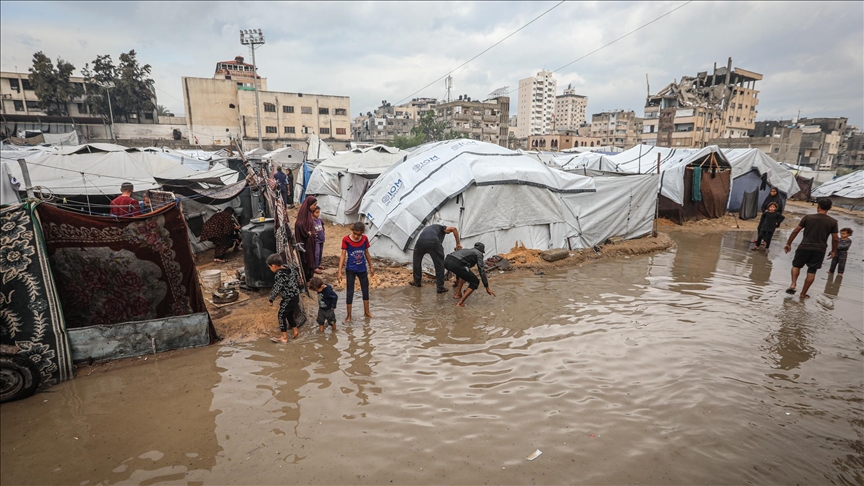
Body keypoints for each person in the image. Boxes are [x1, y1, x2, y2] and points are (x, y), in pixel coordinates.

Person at [783, 198, 839, 299]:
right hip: (819, 250)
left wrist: (788, 243)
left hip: (804, 247)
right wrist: (834, 250)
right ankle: (803, 294)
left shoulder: (808, 217)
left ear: (818, 206)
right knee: (812, 271)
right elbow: (835, 238)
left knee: (796, 266)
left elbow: (796, 230)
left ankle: (793, 284)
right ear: (830, 208)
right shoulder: (833, 221)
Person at [338, 221, 374, 322]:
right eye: (355, 234)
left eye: (359, 234)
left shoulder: (365, 239)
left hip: (362, 269)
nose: (357, 236)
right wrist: (339, 271)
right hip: (351, 269)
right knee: (350, 291)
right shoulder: (346, 239)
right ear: (352, 231)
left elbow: (367, 253)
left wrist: (371, 266)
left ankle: (367, 311)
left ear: (362, 233)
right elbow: (343, 255)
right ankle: (349, 315)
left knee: (365, 290)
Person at [411, 223, 462, 293]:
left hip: (420, 243)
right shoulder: (442, 228)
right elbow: (454, 229)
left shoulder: (427, 229)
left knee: (416, 262)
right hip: (434, 242)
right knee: (439, 265)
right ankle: (440, 288)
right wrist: (458, 244)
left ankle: (417, 282)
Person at [444, 242, 496, 307]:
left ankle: (458, 294)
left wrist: (457, 280)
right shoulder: (479, 254)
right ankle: (460, 303)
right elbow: (481, 270)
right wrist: (487, 287)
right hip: (456, 263)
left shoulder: (467, 251)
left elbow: (460, 270)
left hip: (446, 261)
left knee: (463, 273)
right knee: (475, 282)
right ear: (481, 251)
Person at [267, 253, 302, 341]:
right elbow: (297, 277)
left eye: (270, 267)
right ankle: (295, 331)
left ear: (274, 266)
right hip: (295, 296)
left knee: (281, 315)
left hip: (288, 299)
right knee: (289, 314)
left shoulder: (279, 275)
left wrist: (271, 299)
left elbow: (276, 288)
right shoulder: (288, 268)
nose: (270, 269)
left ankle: (284, 337)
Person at [294, 196, 319, 281]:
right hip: (306, 243)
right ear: (308, 204)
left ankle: (310, 277)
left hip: (311, 242)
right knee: (307, 260)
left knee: (311, 258)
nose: (314, 207)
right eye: (314, 205)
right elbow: (298, 224)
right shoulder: (303, 214)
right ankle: (307, 278)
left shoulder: (309, 214)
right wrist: (306, 233)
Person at [312, 207, 326, 274]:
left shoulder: (319, 220)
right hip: (316, 240)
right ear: (312, 213)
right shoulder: (311, 221)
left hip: (321, 239)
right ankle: (315, 266)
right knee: (316, 253)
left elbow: (323, 228)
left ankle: (319, 264)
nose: (318, 214)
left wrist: (323, 234)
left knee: (320, 252)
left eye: (318, 212)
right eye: (316, 212)